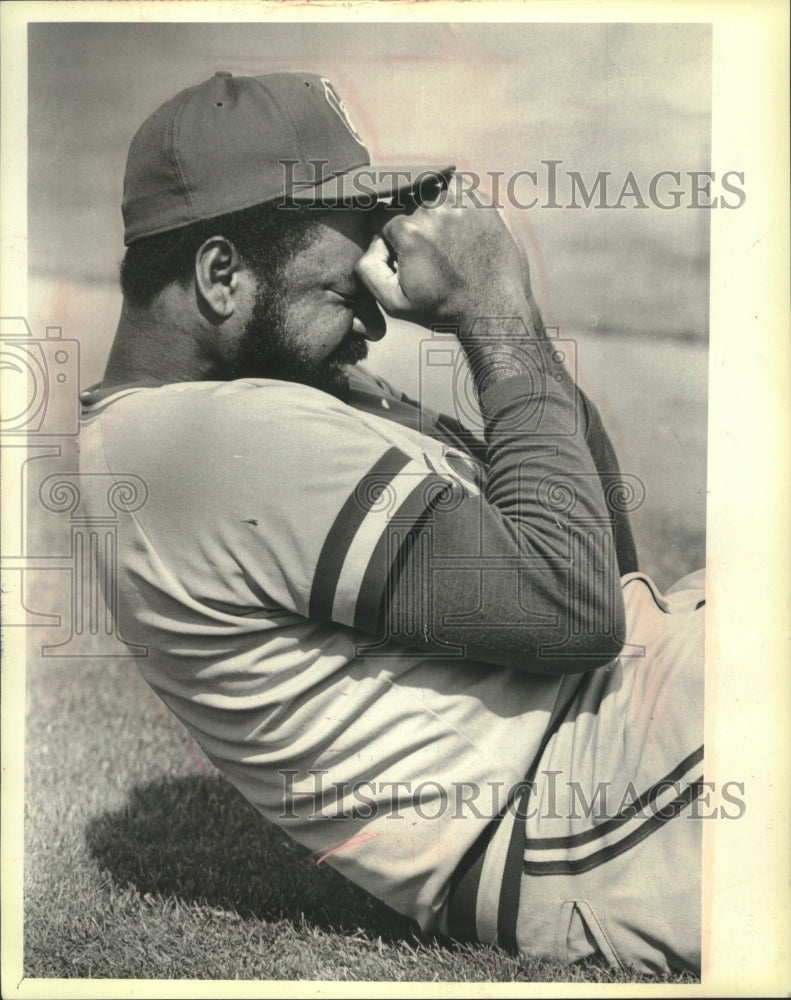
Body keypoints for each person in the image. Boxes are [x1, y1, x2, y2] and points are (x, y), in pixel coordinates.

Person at [79, 71, 704, 976]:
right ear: (220, 275)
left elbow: (595, 551)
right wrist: (492, 312)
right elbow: (574, 608)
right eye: (343, 285)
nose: (373, 313)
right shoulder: (197, 444)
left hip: (632, 724)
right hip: (597, 800)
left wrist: (503, 326)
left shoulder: (250, 403)